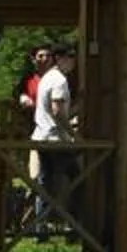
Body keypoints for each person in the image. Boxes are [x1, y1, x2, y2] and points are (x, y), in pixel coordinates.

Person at [31, 45, 78, 236]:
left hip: (42, 136)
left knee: (44, 182)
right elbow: (57, 111)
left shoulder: (47, 77)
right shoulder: (59, 80)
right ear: (59, 58)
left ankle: (40, 226)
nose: (73, 61)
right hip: (56, 139)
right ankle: (73, 225)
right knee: (75, 180)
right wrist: (73, 134)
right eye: (70, 56)